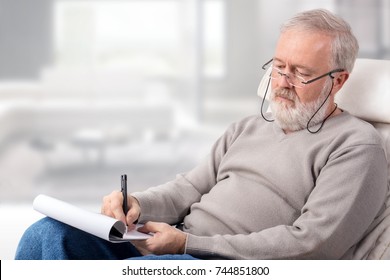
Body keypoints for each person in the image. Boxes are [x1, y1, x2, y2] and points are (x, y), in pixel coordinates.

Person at [15, 8, 388, 260]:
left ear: (339, 81)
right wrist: (137, 205)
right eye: (278, 67)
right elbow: (188, 189)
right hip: (171, 245)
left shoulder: (356, 146)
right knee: (46, 235)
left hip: (226, 265)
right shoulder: (247, 127)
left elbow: (315, 243)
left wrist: (190, 243)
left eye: (301, 73)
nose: (283, 83)